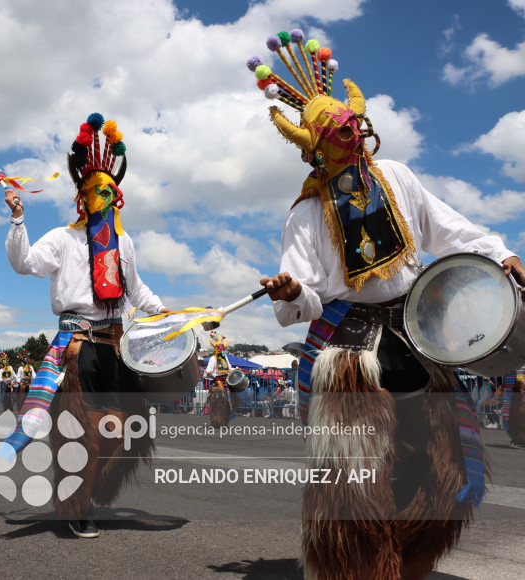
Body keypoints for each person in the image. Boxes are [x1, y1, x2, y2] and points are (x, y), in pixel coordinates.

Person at [248, 30, 525, 580]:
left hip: (418, 329)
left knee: (433, 462)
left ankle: (412, 558)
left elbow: (449, 231)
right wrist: (289, 291)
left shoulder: (395, 176)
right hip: (349, 347)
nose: (349, 135)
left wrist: (503, 253)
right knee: (358, 478)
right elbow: (302, 297)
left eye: (350, 125)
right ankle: (356, 566)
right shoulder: (303, 215)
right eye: (335, 132)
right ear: (314, 148)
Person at [1, 113, 167, 538]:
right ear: (83, 196)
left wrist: (166, 314)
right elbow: (25, 264)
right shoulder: (62, 238)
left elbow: (138, 290)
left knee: (126, 428)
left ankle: (88, 493)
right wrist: (18, 220)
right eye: (97, 191)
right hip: (77, 346)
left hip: (115, 345)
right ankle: (79, 506)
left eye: (111, 190)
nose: (106, 197)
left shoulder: (124, 243)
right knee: (83, 434)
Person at [204, 331, 237, 427]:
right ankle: (216, 421)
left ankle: (224, 421)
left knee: (227, 403)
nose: (221, 349)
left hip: (226, 382)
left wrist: (236, 369)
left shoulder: (225, 358)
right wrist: (209, 374)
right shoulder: (213, 359)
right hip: (217, 383)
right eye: (219, 348)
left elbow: (229, 368)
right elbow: (208, 371)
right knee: (217, 404)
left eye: (222, 348)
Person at [14, 348, 35, 413]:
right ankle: (20, 407)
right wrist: (18, 381)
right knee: (21, 394)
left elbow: (33, 374)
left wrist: (36, 379)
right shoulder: (20, 368)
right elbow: (18, 376)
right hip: (23, 382)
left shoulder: (31, 367)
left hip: (29, 382)